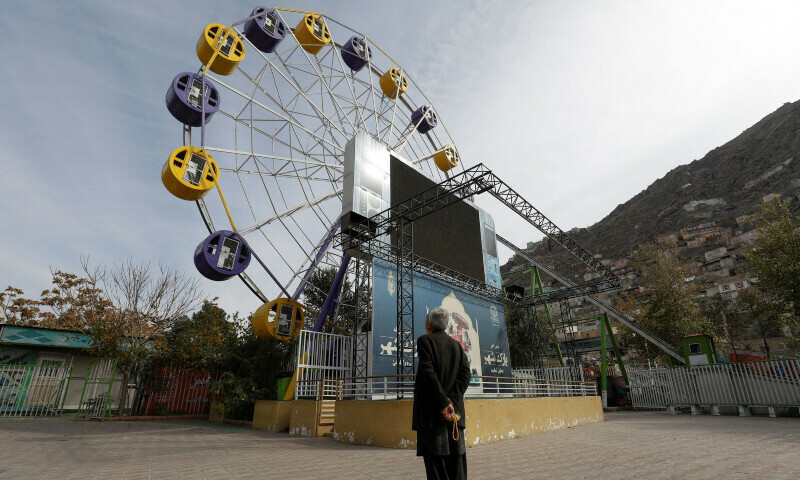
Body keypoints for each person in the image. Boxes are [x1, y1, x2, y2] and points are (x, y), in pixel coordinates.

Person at [412, 307, 472, 480]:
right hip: (453, 415)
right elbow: (466, 375)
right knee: (457, 463)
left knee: (436, 466)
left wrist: (443, 403)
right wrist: (451, 401)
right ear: (446, 325)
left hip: (432, 416)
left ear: (429, 324)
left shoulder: (424, 341)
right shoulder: (457, 346)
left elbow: (429, 373)